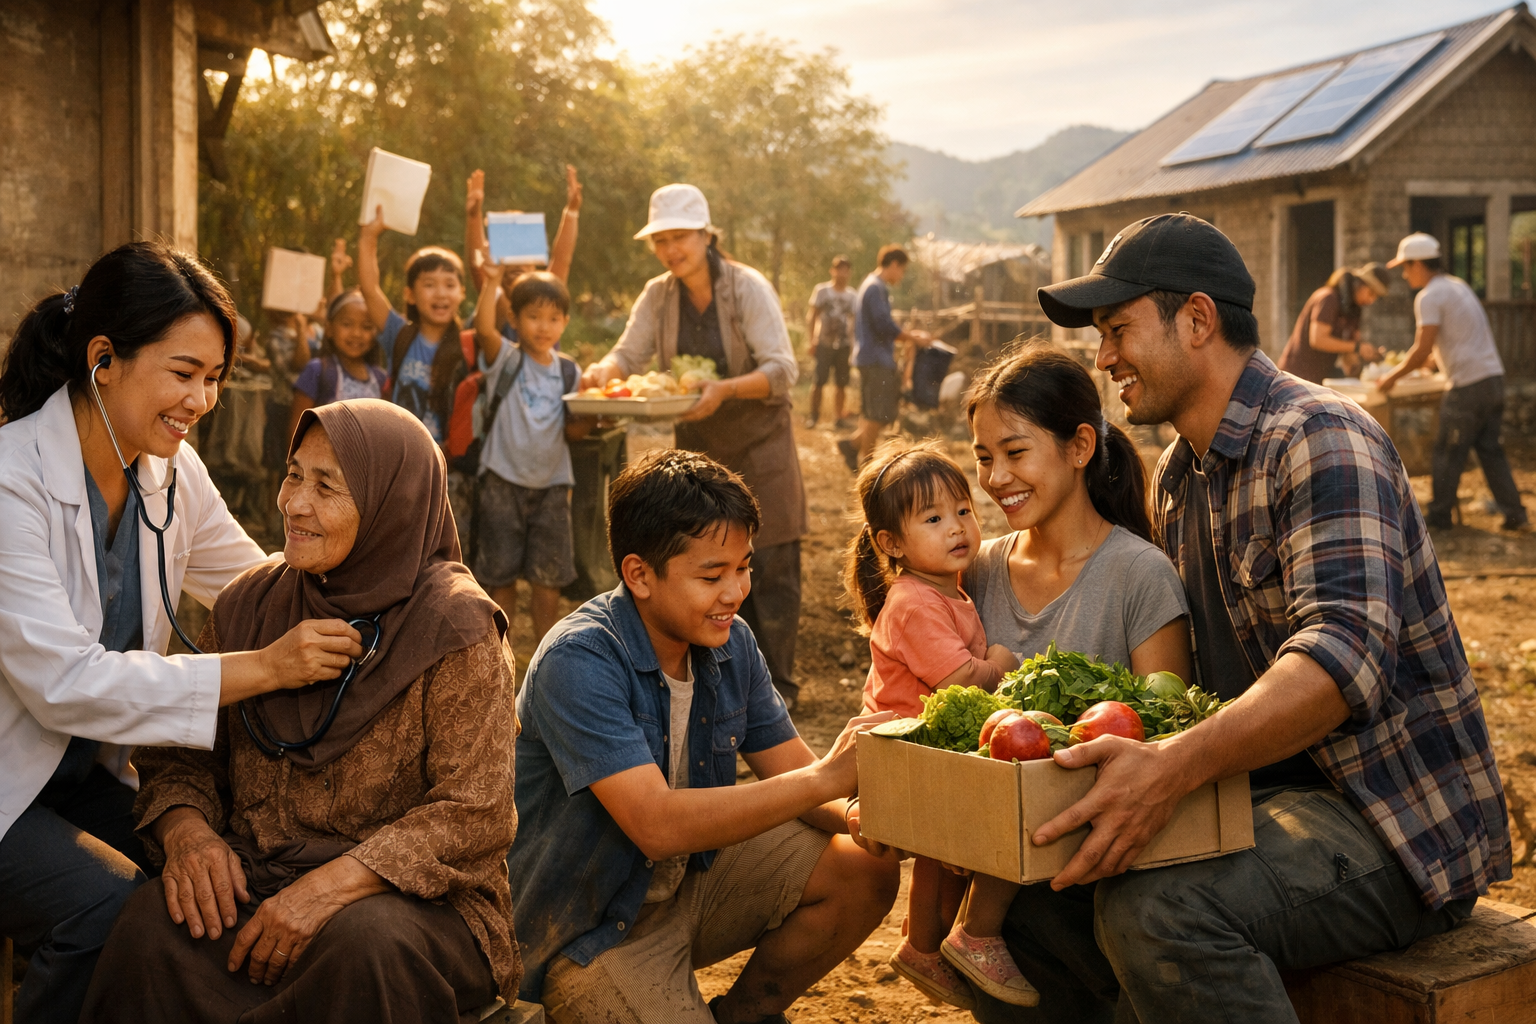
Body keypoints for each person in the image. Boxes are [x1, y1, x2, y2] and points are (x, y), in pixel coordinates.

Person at [972, 212, 1508, 1023]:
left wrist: (1174, 767)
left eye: (1118, 329)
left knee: (1161, 911)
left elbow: (1340, 663)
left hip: (1389, 820)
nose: (1104, 356)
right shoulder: (1179, 479)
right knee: (1035, 894)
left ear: (1196, 320)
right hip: (1259, 797)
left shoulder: (1320, 439)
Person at [0, 241, 367, 1024]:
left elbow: (260, 586)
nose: (201, 400)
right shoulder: (10, 483)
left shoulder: (171, 472)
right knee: (100, 914)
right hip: (8, 785)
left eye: (215, 378)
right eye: (183, 372)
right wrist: (265, 668)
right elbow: (65, 683)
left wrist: (403, 596)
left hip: (81, 776)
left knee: (223, 882)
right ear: (104, 359)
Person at [80, 399, 518, 1023]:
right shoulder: (250, 605)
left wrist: (328, 887)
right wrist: (190, 834)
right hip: (258, 884)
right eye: (293, 475)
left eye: (326, 486)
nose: (293, 503)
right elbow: (175, 754)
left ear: (392, 502)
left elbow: (475, 812)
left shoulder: (454, 627)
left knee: (365, 946)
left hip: (411, 910)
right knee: (156, 924)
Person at [508, 449, 899, 1024]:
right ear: (639, 574)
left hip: (691, 885)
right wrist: (827, 777)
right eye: (712, 575)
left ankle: (743, 1015)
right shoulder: (580, 659)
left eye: (743, 566)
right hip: (588, 931)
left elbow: (793, 771)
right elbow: (657, 826)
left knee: (863, 866)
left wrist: (880, 822)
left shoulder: (730, 641)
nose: (736, 592)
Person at [582, 183, 809, 708]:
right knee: (708, 568)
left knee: (769, 569)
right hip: (702, 451)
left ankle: (781, 696)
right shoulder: (657, 295)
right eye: (661, 240)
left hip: (762, 443)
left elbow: (782, 369)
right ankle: (725, 689)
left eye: (680, 236)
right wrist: (603, 373)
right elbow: (628, 354)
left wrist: (726, 390)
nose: (670, 249)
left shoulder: (746, 287)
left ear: (707, 235)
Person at [843, 440, 1033, 1011]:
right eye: (933, 519)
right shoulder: (914, 603)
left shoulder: (942, 589)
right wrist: (1002, 662)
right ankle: (962, 937)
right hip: (907, 751)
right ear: (891, 544)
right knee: (992, 819)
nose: (957, 528)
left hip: (922, 746)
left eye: (963, 511)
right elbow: (958, 679)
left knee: (942, 848)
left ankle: (925, 944)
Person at [469, 267, 592, 646]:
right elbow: (483, 330)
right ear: (515, 319)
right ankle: (499, 651)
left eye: (554, 318)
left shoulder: (569, 371)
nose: (544, 326)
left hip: (553, 485)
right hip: (502, 479)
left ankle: (545, 649)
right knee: (499, 574)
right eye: (534, 316)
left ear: (566, 322)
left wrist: (592, 414)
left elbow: (573, 430)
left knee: (548, 576)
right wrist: (491, 281)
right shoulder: (505, 358)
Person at [1379, 231, 1529, 531]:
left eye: (1406, 268)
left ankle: (1439, 516)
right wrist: (1433, 364)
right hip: (1492, 379)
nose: (1406, 275)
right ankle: (1516, 514)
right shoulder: (1457, 287)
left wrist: (1390, 378)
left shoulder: (1429, 296)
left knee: (1447, 451)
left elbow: (1422, 348)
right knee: (1490, 450)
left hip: (1467, 386)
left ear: (1418, 265)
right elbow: (1456, 338)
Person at [841, 245, 932, 471]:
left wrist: (910, 336)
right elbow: (884, 326)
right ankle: (866, 466)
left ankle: (852, 446)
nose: (901, 276)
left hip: (871, 358)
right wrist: (913, 337)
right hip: (875, 360)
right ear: (893, 265)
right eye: (901, 270)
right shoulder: (875, 288)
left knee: (875, 412)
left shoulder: (871, 285)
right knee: (876, 415)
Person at [287, 289, 388, 438]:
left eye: (366, 327)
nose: (356, 333)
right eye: (347, 324)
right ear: (329, 329)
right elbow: (296, 430)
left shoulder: (380, 378)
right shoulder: (317, 370)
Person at [1276, 263, 1389, 384]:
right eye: (1371, 293)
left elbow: (1349, 352)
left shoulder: (1354, 310)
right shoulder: (1328, 298)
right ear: (1359, 284)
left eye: (1375, 297)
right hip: (1296, 377)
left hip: (1319, 379)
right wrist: (1357, 347)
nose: (1371, 300)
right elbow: (1317, 340)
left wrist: (1366, 359)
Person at [806, 256, 857, 428]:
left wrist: (854, 344)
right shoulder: (822, 290)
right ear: (832, 270)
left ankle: (838, 417)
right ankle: (813, 416)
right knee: (819, 381)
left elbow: (855, 321)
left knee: (841, 383)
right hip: (824, 342)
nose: (842, 273)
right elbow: (812, 316)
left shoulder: (852, 296)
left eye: (846, 270)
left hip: (843, 344)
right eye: (839, 269)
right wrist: (811, 339)